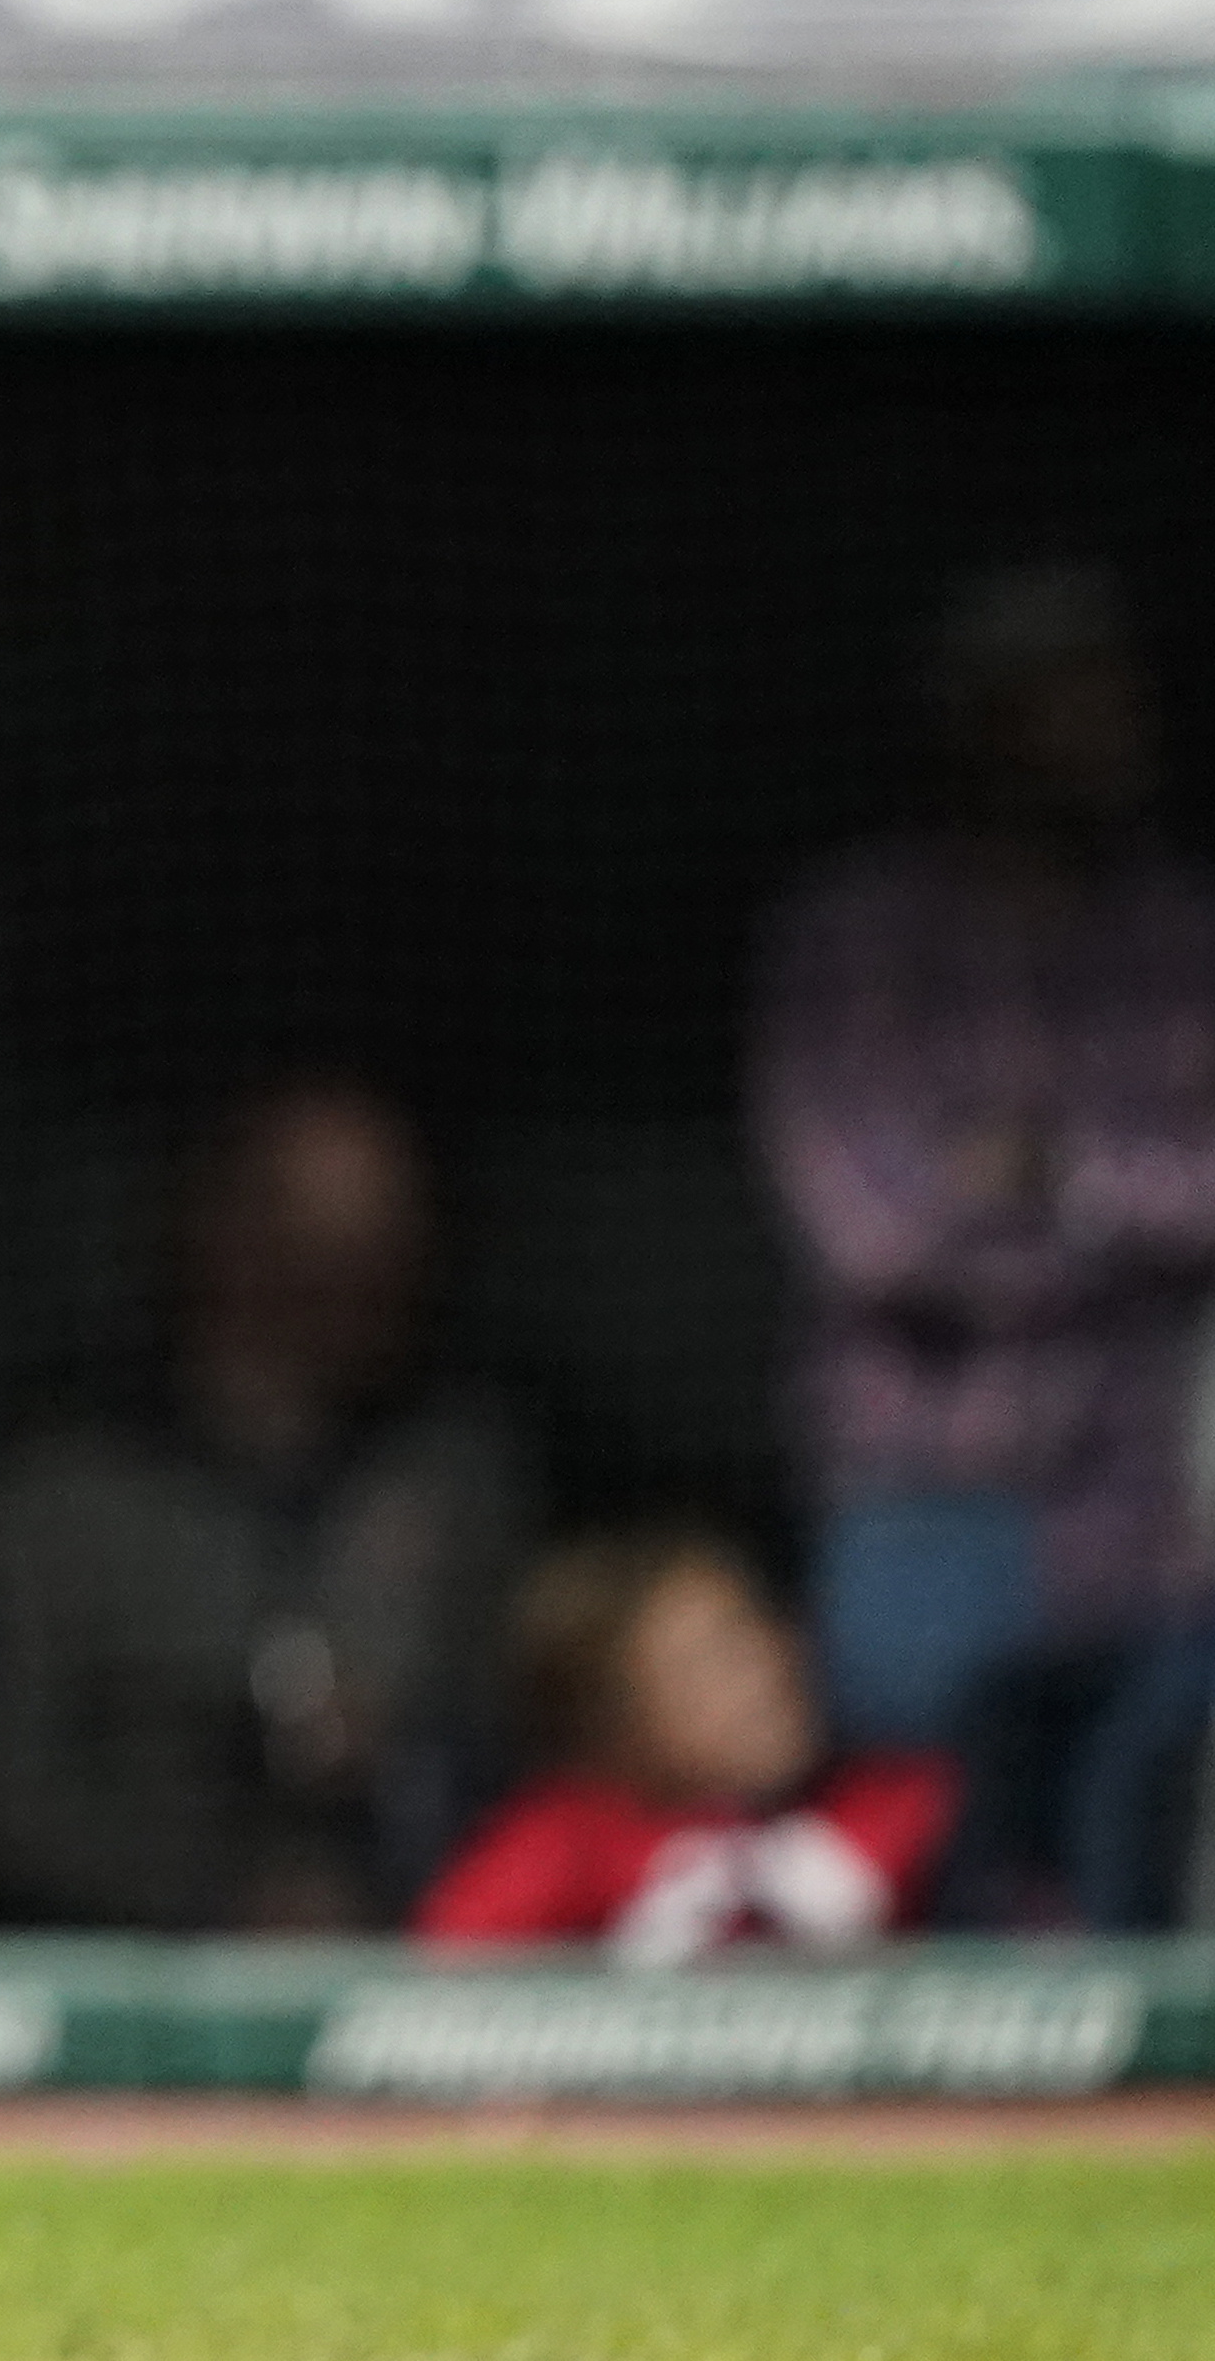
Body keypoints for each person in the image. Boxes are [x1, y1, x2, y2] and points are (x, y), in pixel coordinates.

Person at [753, 560, 1215, 1921]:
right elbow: (870, 1236)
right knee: (921, 1879)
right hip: (920, 1493)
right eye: (1065, 696)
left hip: (1142, 1499)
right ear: (981, 720)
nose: (1107, 725)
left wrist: (1043, 1175)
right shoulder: (852, 935)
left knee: (1124, 1880)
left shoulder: (1179, 934)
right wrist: (1118, 1216)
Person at [0, 1079, 531, 1929]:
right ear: (222, 1237)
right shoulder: (64, 1488)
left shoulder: (454, 1468)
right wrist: (213, 1894)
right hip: (124, 1971)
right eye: (322, 1234)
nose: (364, 1269)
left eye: (387, 1235)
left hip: (414, 1961)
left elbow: (518, 1748)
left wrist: (400, 1770)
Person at [416, 1531, 950, 1963]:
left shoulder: (906, 1801)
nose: (762, 1675)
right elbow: (437, 1990)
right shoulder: (560, 1842)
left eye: (754, 1628)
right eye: (705, 1662)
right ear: (615, 1720)